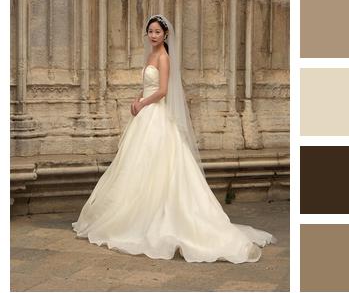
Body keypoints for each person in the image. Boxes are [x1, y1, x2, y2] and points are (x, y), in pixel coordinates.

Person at [72, 14, 276, 263]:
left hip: (156, 114)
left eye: (158, 31)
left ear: (165, 35)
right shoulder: (149, 56)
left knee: (159, 164)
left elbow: (163, 91)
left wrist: (144, 103)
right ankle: (137, 214)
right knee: (136, 164)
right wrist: (137, 101)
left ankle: (163, 218)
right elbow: (146, 85)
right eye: (150, 31)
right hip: (145, 113)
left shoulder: (164, 57)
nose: (153, 35)